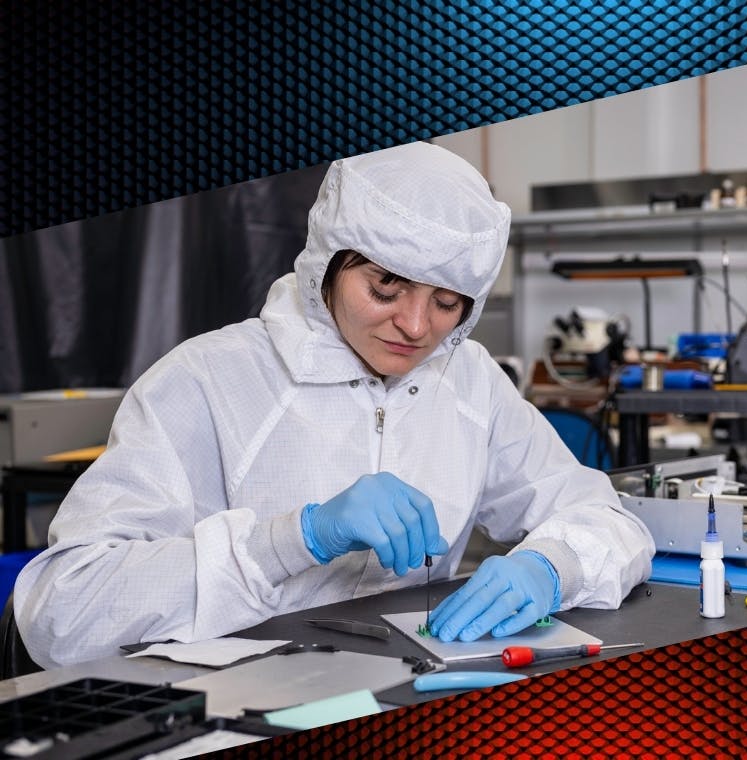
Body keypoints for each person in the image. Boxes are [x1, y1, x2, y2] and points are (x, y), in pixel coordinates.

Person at [14, 143, 655, 668]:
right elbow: (59, 614)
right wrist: (294, 539)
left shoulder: (467, 381)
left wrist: (552, 566)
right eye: (385, 287)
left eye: (447, 302)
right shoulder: (206, 380)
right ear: (328, 263)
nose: (415, 325)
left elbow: (608, 518)